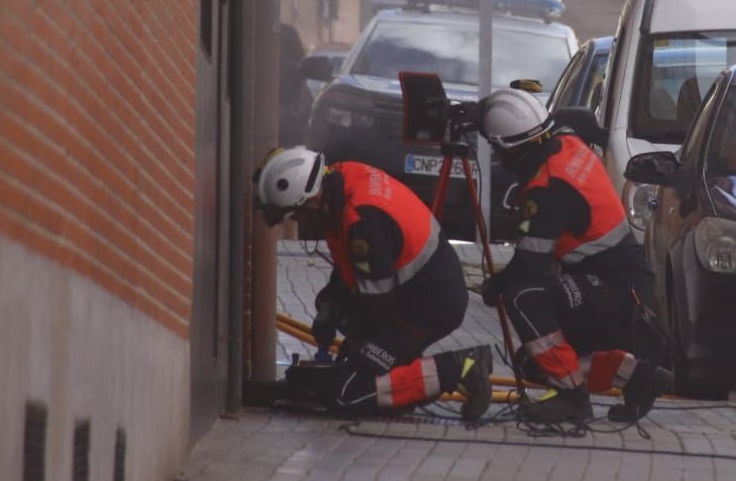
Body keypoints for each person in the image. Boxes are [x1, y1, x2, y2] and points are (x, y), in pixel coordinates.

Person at [475, 90, 671, 424]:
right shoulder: (565, 142)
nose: (499, 159)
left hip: (614, 290)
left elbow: (530, 266)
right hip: (624, 282)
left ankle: (571, 398)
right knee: (532, 362)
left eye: (498, 150)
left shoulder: (549, 189)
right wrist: (476, 114)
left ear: (513, 149)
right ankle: (637, 377)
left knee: (521, 298)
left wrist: (495, 286)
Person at [254, 147, 492, 420]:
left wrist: (359, 348)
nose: (299, 222)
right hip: (416, 293)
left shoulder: (363, 223)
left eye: (297, 213)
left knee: (348, 393)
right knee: (364, 364)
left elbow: (376, 307)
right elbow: (352, 269)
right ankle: (405, 383)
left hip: (427, 307)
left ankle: (460, 368)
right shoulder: (341, 177)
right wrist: (331, 303)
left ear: (312, 198)